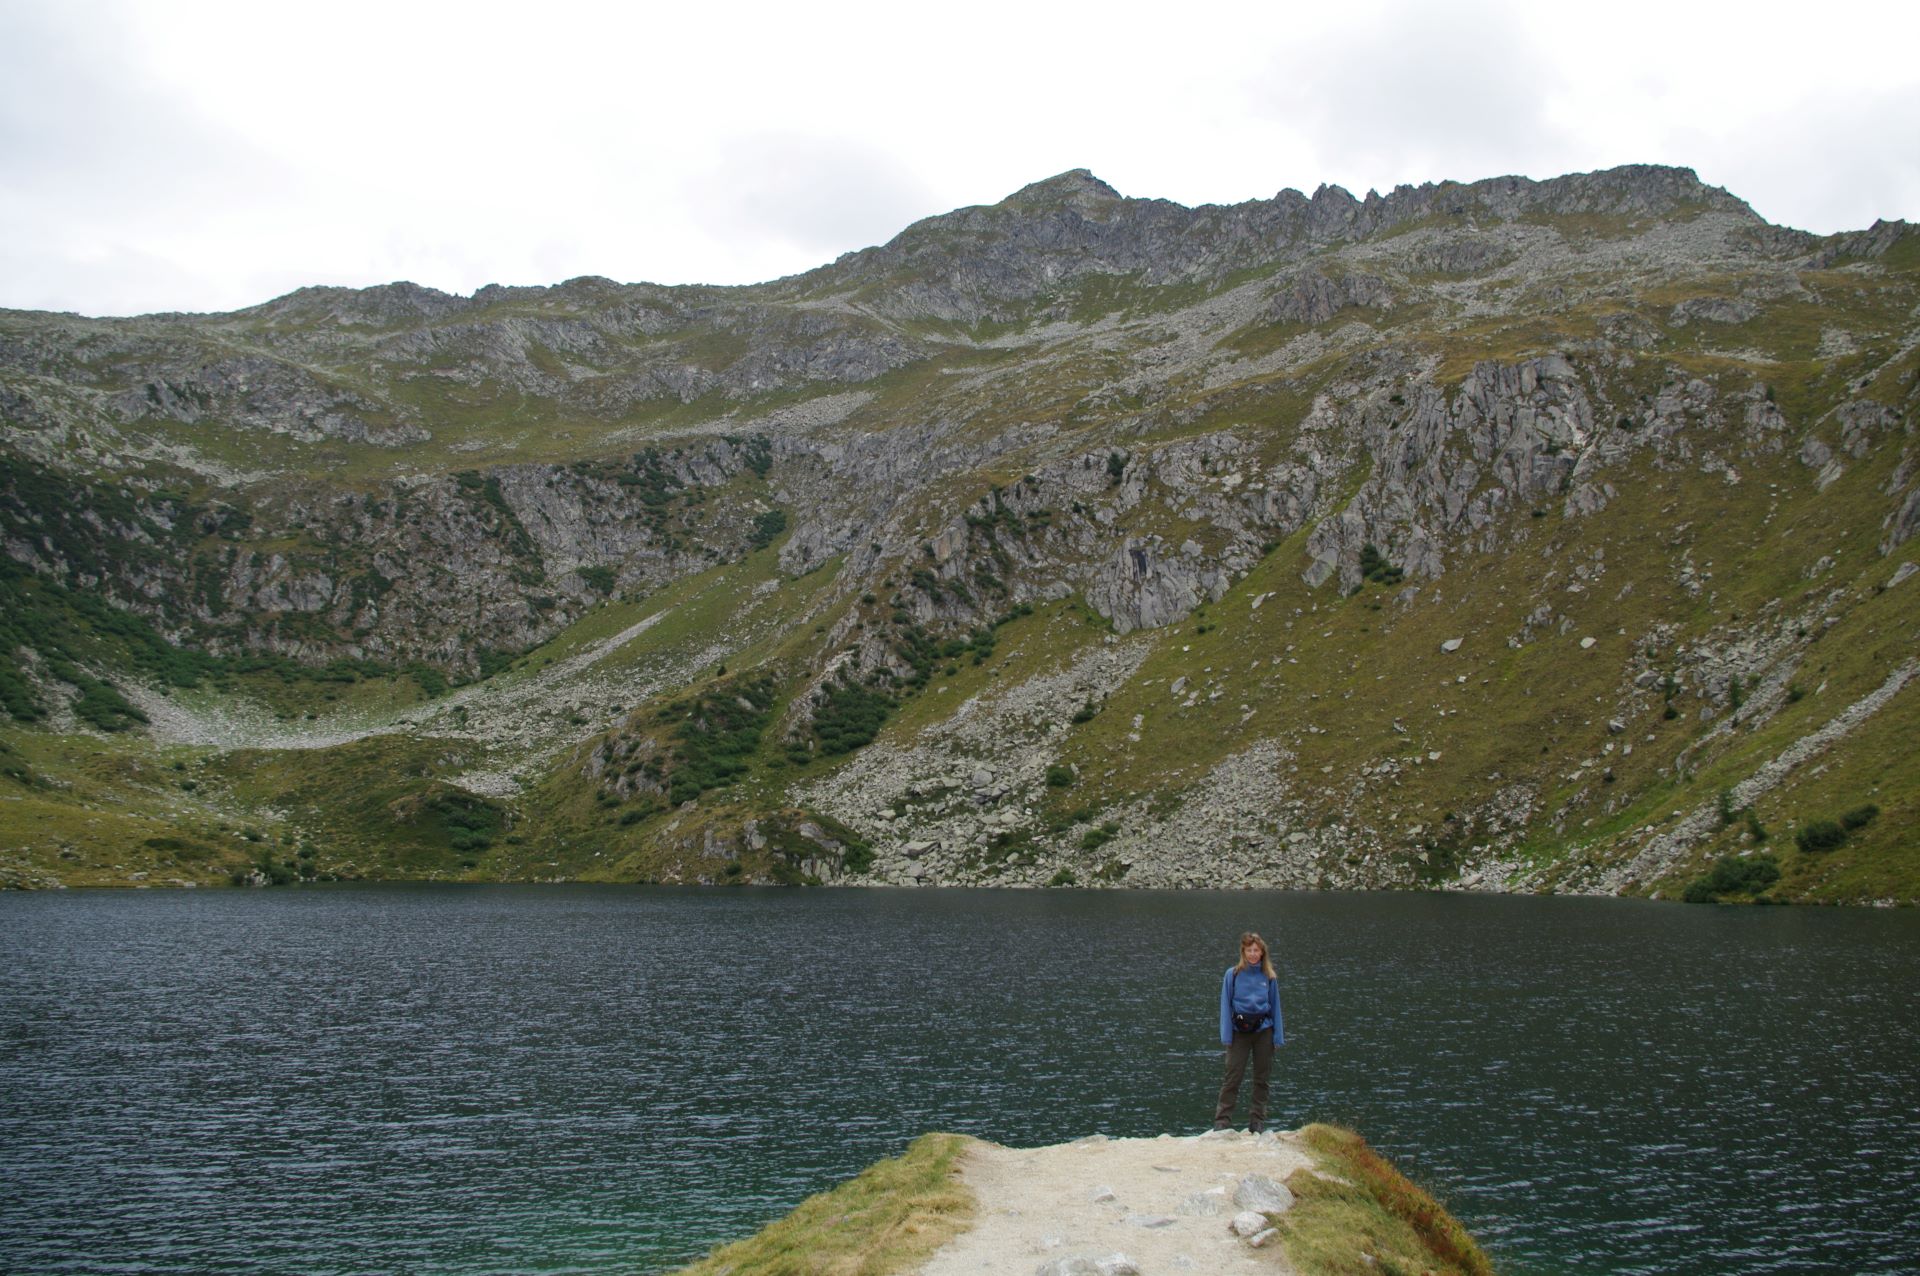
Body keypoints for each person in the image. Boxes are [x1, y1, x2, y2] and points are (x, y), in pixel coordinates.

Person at [1213, 931, 1284, 1133]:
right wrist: (1226, 1035)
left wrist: (1278, 1036)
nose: (1253, 954)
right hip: (1238, 1032)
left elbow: (1275, 1006)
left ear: (1262, 953)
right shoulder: (1233, 975)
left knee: (1262, 1078)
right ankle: (1222, 1121)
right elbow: (1225, 1005)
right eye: (1249, 950)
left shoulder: (1269, 976)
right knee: (1233, 1076)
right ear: (1243, 952)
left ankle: (1257, 1121)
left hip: (1264, 1031)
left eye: (1257, 950)